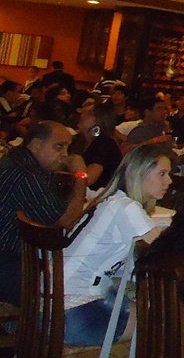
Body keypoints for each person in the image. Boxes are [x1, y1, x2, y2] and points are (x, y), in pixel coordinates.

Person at [61, 144, 171, 346]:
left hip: (54, 305)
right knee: (166, 322)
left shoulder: (112, 199)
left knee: (150, 309)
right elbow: (166, 253)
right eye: (162, 174)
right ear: (138, 173)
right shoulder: (127, 208)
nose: (169, 181)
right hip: (73, 313)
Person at [0, 121, 86, 305]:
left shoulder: (19, 160)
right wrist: (81, 176)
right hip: (7, 262)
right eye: (59, 146)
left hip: (11, 256)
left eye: (67, 148)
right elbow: (65, 220)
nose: (65, 154)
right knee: (73, 285)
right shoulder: (25, 174)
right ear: (37, 144)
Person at [69, 102, 123, 190]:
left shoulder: (105, 144)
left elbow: (89, 179)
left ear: (100, 120)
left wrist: (77, 166)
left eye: (89, 113)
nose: (82, 115)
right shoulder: (77, 141)